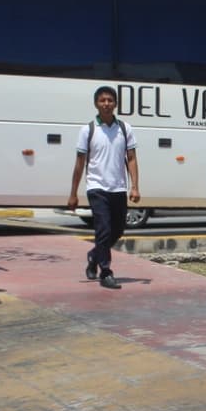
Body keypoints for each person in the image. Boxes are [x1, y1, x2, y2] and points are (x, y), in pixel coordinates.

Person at [67, 85, 140, 290]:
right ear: (96, 104)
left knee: (118, 229)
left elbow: (132, 159)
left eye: (110, 100)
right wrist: (73, 194)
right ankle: (106, 272)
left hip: (118, 188)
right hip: (96, 187)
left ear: (116, 104)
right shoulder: (88, 130)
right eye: (102, 100)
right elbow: (80, 163)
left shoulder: (125, 129)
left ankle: (94, 256)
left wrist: (135, 186)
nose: (106, 104)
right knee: (104, 229)